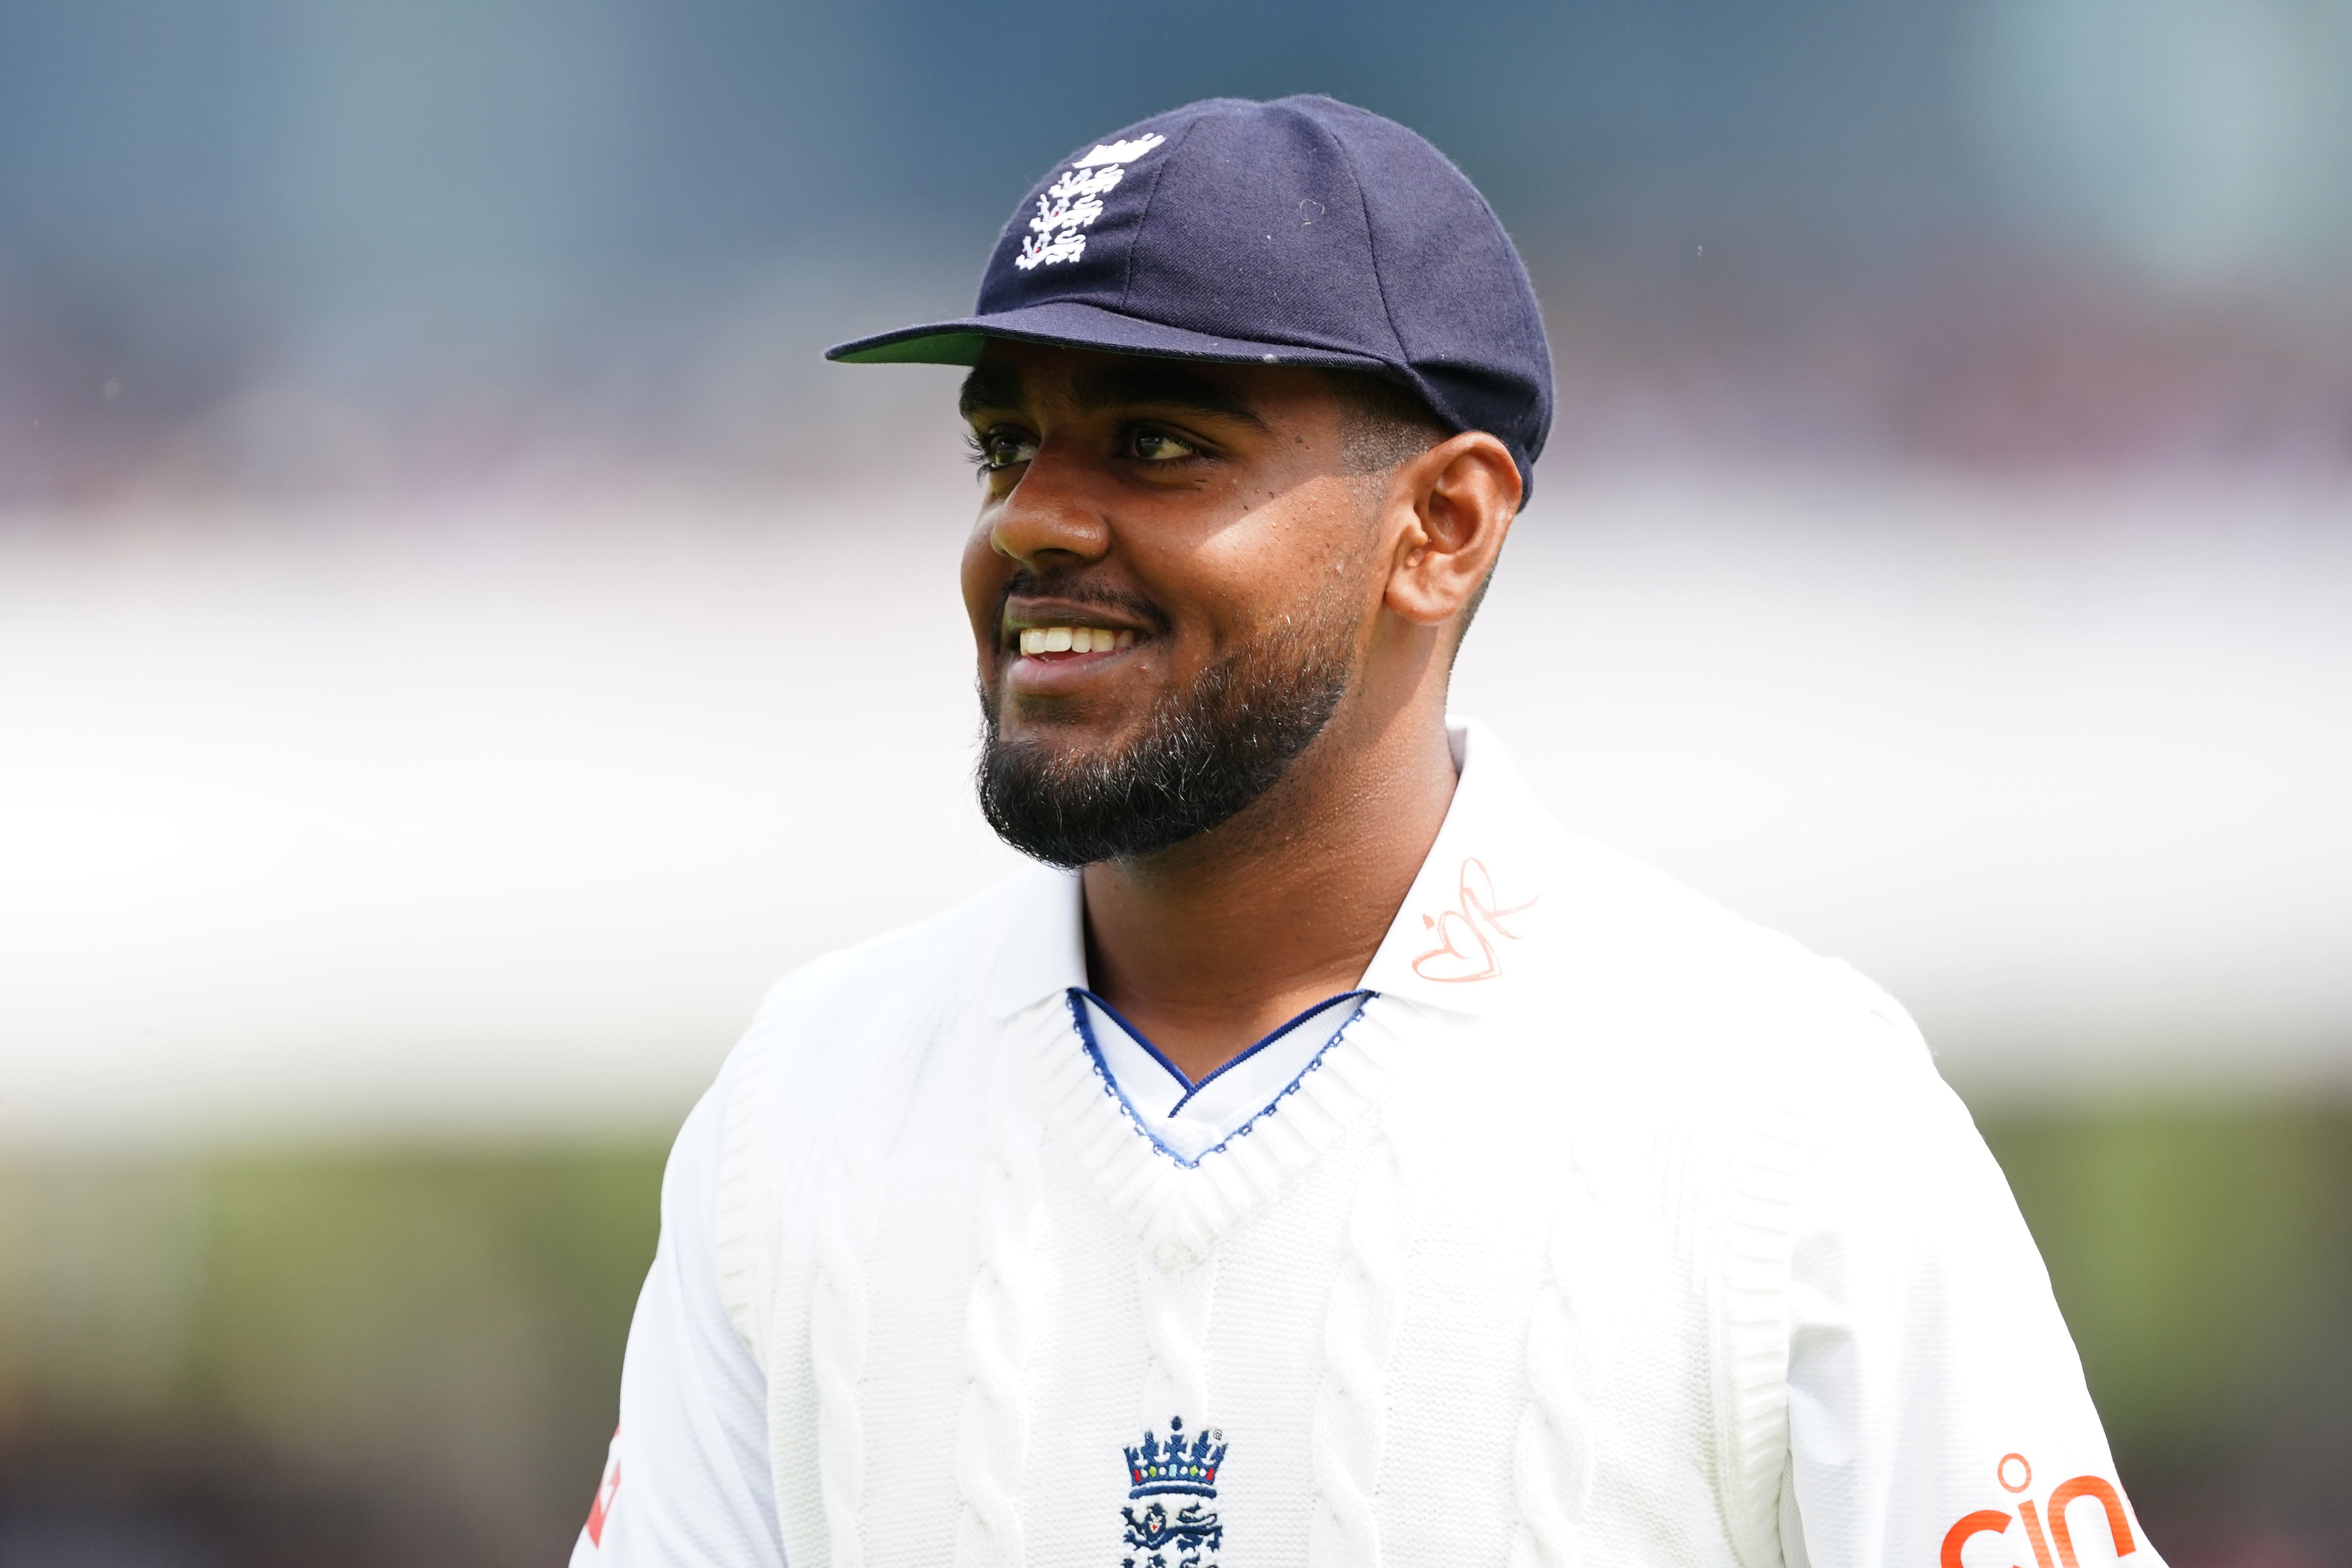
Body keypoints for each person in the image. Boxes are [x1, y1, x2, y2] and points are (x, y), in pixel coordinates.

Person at [573, 96, 2159, 1568]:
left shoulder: (1784, 1109)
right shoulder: (805, 1099)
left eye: (1157, 443)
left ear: (1443, 527)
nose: (1029, 521)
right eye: (1004, 446)